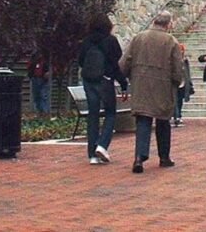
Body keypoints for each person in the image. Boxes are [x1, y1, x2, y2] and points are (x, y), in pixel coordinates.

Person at [120, 10, 183, 173]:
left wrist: (126, 78)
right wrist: (177, 82)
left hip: (141, 84)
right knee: (163, 121)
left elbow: (125, 62)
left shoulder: (138, 38)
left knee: (143, 120)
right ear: (168, 24)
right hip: (163, 86)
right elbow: (177, 68)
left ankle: (139, 157)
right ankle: (164, 157)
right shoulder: (171, 41)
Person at [78, 13, 129, 165]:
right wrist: (123, 84)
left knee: (93, 115)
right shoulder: (111, 41)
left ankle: (92, 154)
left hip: (89, 81)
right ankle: (102, 145)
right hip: (105, 80)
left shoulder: (86, 41)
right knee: (110, 113)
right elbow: (116, 65)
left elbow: (81, 61)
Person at [173, 43, 193, 127]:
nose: (180, 51)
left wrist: (189, 82)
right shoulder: (172, 60)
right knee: (174, 100)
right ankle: (176, 116)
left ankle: (179, 115)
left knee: (180, 100)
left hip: (183, 83)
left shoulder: (185, 60)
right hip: (174, 82)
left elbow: (187, 72)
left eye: (181, 50)